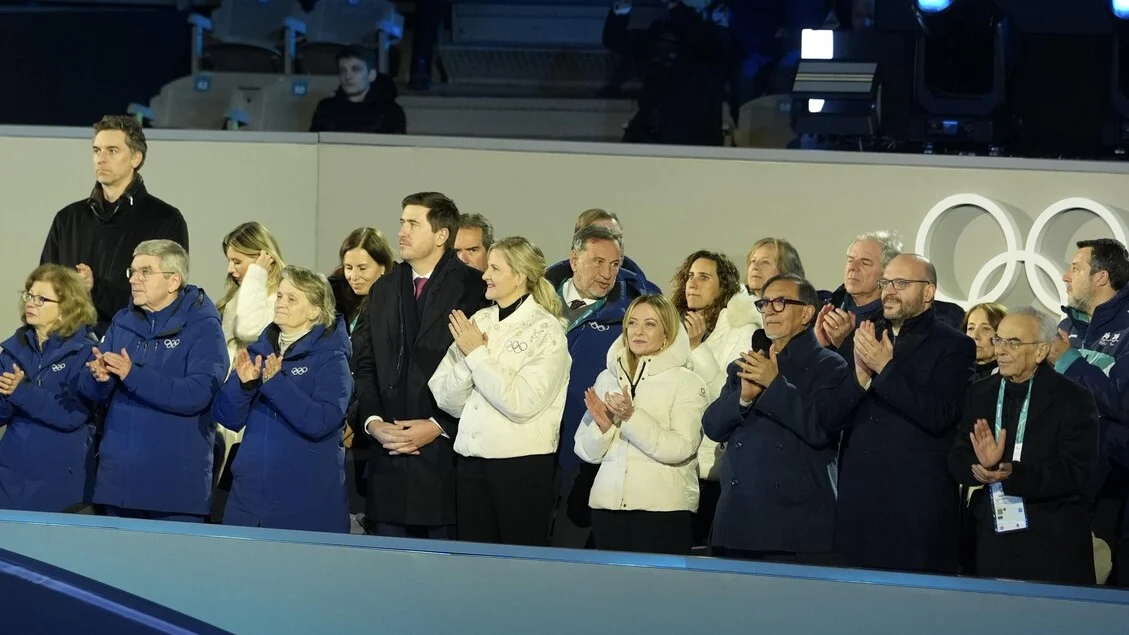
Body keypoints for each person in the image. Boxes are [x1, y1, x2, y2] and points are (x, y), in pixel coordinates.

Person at [353, 192, 488, 539]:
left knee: (443, 570)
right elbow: (365, 364)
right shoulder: (383, 290)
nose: (402, 232)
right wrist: (373, 423)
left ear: (442, 235)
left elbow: (486, 373)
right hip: (388, 462)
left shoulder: (475, 289)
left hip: (446, 465)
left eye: (413, 224)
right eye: (402, 222)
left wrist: (439, 425)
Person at [831, 254, 976, 573]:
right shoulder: (862, 337)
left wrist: (885, 369)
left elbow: (940, 415)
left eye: (901, 283)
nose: (889, 291)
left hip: (916, 512)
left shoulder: (955, 346)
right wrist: (860, 377)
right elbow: (830, 418)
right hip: (858, 507)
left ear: (928, 292)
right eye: (886, 283)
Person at [430, 237, 571, 546]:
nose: (485, 275)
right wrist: (468, 361)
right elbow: (444, 396)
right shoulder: (480, 320)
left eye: (495, 268)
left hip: (520, 468)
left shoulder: (546, 331)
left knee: (518, 564)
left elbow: (521, 402)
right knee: (475, 562)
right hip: (470, 463)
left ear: (519, 275)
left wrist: (477, 355)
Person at [703, 274, 848, 561]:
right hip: (736, 522)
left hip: (793, 529)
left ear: (807, 313)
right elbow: (712, 426)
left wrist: (775, 384)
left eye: (780, 302)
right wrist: (743, 398)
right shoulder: (745, 365)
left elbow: (821, 430)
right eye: (764, 303)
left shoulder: (830, 366)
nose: (769, 310)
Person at [79, 240, 227, 522]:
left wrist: (132, 374)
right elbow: (90, 391)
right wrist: (99, 378)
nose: (133, 279)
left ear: (173, 281)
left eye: (145, 272)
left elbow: (197, 394)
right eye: (132, 271)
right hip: (119, 485)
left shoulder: (204, 327)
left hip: (175, 490)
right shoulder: (123, 321)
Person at [950, 308, 1099, 585]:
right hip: (988, 539)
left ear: (1041, 351)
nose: (1001, 350)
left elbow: (1076, 470)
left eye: (1013, 342)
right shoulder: (979, 392)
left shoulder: (1074, 399)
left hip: (1050, 539)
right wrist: (980, 467)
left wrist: (1012, 474)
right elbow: (958, 456)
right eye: (999, 340)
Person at [213, 266, 352, 533]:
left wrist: (276, 384)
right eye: (279, 296)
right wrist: (244, 386)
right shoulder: (259, 350)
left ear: (315, 311)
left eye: (292, 298)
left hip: (305, 502)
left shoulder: (332, 359)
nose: (281, 303)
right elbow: (226, 417)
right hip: (248, 499)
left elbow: (322, 422)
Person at [545, 225, 654, 549]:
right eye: (598, 262)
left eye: (615, 264)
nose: (607, 274)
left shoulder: (631, 316)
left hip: (587, 454)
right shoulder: (535, 302)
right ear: (574, 259)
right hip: (529, 450)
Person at [575, 294, 708, 554]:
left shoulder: (688, 382)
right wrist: (602, 428)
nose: (638, 331)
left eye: (650, 324)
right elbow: (586, 451)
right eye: (632, 323)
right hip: (607, 510)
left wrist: (631, 418)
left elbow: (681, 447)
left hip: (662, 513)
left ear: (667, 333)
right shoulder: (608, 377)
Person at [41, 115, 189, 336]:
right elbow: (43, 288)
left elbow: (168, 298)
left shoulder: (165, 219)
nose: (101, 159)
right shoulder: (67, 219)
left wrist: (96, 288)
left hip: (136, 345)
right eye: (96, 150)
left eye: (112, 151)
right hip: (70, 346)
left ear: (136, 158)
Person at [1049, 238, 1129, 584]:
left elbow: (1123, 402)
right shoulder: (1066, 328)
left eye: (1075, 268)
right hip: (1069, 482)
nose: (1065, 277)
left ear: (1101, 277)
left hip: (1116, 486)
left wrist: (1069, 362)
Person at [669, 250, 754, 548]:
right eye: (690, 276)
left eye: (704, 277)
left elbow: (729, 397)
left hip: (713, 465)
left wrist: (697, 348)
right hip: (675, 462)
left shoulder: (744, 331)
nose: (693, 283)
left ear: (724, 287)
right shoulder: (672, 326)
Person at [0, 265, 98, 512]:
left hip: (62, 481)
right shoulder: (13, 350)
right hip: (12, 479)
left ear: (65, 309)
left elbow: (71, 414)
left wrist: (22, 392)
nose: (31, 303)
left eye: (41, 299)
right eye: (29, 296)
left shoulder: (86, 353)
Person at [212, 222, 286, 520]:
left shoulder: (279, 296)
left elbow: (249, 329)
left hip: (251, 406)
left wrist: (256, 275)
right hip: (228, 401)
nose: (230, 269)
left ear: (262, 257)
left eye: (238, 261)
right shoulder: (239, 296)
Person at [327, 227, 394, 520]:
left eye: (363, 268)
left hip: (373, 418)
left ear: (383, 266)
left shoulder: (394, 303)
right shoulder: (334, 295)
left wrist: (355, 417)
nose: (354, 276)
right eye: (349, 267)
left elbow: (374, 369)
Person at [603, 0, 732, 146]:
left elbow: (704, 41)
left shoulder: (717, 37)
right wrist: (623, 4)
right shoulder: (662, 30)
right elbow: (616, 40)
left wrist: (676, 6)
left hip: (691, 139)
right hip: (647, 132)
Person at [816, 231, 900, 349]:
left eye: (865, 263)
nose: (852, 267)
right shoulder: (821, 307)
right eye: (850, 260)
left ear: (887, 273)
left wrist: (843, 343)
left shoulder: (896, 323)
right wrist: (817, 346)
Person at [309, 45, 406, 134]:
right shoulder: (326, 109)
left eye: (356, 69)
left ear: (371, 75)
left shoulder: (391, 112)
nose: (348, 76)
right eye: (343, 70)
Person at [572, 209, 651, 284]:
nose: (615, 244)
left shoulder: (645, 289)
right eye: (603, 237)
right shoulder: (564, 289)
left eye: (618, 237)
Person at [963, 302, 1007, 381]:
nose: (975, 336)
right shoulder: (954, 370)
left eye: (986, 329)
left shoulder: (1009, 379)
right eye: (971, 328)